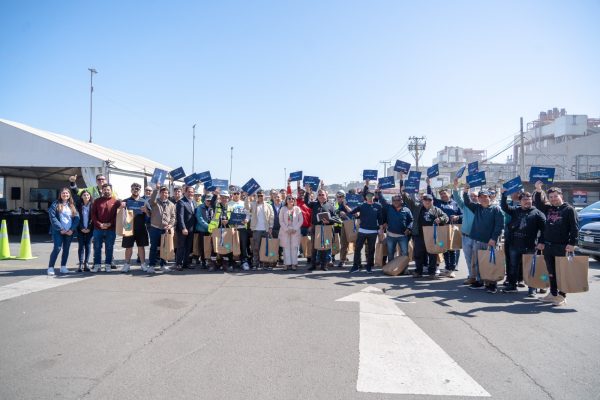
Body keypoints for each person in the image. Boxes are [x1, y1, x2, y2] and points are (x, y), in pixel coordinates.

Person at [533, 182, 579, 306]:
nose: (553, 199)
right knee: (551, 272)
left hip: (562, 246)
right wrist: (538, 190)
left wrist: (572, 243)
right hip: (548, 246)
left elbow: (574, 228)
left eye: (555, 196)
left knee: (562, 272)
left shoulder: (569, 209)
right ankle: (552, 294)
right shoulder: (549, 208)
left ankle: (562, 295)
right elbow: (538, 204)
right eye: (551, 197)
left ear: (561, 196)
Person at [500, 189, 546, 295]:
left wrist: (541, 242)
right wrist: (503, 195)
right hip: (514, 245)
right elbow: (504, 207)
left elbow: (545, 230)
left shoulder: (538, 213)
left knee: (531, 268)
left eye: (529, 200)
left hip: (530, 246)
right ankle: (512, 285)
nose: (527, 202)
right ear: (520, 201)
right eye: (525, 200)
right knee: (513, 266)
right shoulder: (516, 210)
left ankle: (532, 288)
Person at [462, 187, 504, 292]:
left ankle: (492, 284)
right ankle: (479, 281)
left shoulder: (496, 209)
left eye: (485, 197)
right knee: (478, 262)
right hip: (477, 240)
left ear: (489, 197)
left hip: (490, 241)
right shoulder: (477, 208)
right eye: (480, 197)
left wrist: (494, 239)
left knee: (491, 262)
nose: (483, 199)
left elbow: (499, 226)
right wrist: (465, 192)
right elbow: (467, 202)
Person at [344, 183, 384, 273]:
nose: (370, 197)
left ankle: (369, 266)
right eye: (368, 195)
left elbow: (380, 219)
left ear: (373, 197)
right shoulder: (362, 205)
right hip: (362, 231)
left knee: (371, 250)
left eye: (371, 195)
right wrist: (345, 205)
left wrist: (381, 229)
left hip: (373, 232)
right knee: (357, 249)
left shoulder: (378, 206)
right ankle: (355, 266)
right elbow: (352, 212)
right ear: (366, 197)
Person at [407, 192, 449, 279]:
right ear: (422, 201)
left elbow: (446, 217)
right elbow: (408, 200)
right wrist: (403, 190)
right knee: (418, 254)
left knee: (432, 254)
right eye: (425, 200)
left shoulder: (436, 209)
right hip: (419, 235)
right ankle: (418, 271)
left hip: (432, 236)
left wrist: (440, 219)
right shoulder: (417, 207)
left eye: (429, 200)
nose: (427, 202)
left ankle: (432, 273)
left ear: (432, 201)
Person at [426, 178, 463, 276]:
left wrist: (457, 217)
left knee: (453, 249)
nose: (443, 196)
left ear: (449, 194)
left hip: (453, 230)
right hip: (441, 230)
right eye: (441, 194)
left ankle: (452, 269)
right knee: (444, 249)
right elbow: (431, 195)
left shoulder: (455, 203)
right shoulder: (438, 202)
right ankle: (447, 268)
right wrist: (428, 185)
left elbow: (462, 215)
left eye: (444, 194)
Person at [47, 188, 80, 275]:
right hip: (58, 231)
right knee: (57, 248)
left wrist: (71, 229)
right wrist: (61, 228)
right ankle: (50, 267)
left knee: (66, 249)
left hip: (69, 232)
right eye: (63, 193)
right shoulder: (55, 204)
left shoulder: (72, 205)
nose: (65, 195)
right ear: (60, 194)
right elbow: (52, 217)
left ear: (69, 195)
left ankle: (63, 267)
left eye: (67, 193)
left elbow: (77, 218)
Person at [452, 178, 478, 285]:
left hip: (477, 237)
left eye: (475, 196)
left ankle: (479, 277)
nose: (473, 198)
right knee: (468, 258)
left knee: (477, 258)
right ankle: (471, 276)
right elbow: (457, 198)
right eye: (471, 196)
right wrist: (455, 187)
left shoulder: (481, 207)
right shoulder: (466, 206)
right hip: (466, 236)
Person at [91, 183, 122, 272]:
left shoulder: (116, 202)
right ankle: (97, 265)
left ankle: (108, 265)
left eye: (108, 189)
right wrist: (99, 224)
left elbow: (118, 215)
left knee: (109, 247)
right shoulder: (97, 201)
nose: (106, 191)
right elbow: (93, 214)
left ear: (111, 191)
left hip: (111, 229)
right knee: (97, 247)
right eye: (104, 190)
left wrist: (111, 224)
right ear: (102, 190)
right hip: (98, 229)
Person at [304, 185, 336, 271]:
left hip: (326, 229)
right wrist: (307, 191)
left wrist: (329, 221)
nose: (321, 196)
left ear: (326, 196)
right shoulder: (314, 204)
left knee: (325, 247)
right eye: (319, 195)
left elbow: (336, 218)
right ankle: (313, 265)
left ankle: (324, 265)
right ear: (317, 196)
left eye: (322, 195)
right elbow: (306, 202)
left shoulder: (330, 206)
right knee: (314, 247)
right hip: (316, 229)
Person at [121, 183, 150, 273]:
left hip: (141, 227)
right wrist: (121, 207)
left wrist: (146, 211)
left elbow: (149, 216)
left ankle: (143, 264)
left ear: (140, 190)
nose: (135, 190)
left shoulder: (144, 202)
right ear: (131, 190)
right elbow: (120, 214)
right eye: (133, 189)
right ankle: (126, 265)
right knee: (128, 247)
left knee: (141, 247)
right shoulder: (125, 201)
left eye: (137, 189)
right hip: (128, 227)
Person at [147, 184, 176, 273]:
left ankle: (163, 265)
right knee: (154, 247)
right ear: (160, 193)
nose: (164, 194)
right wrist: (156, 189)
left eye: (166, 193)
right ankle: (151, 265)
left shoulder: (171, 205)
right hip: (155, 228)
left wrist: (170, 225)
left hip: (165, 229)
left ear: (168, 194)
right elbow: (151, 199)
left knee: (165, 247)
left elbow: (173, 217)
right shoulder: (155, 202)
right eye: (162, 192)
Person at [378, 193, 413, 264]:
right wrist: (379, 192)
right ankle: (391, 269)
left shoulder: (406, 210)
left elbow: (412, 220)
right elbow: (382, 201)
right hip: (391, 236)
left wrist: (409, 228)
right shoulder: (388, 208)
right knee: (390, 254)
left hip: (403, 236)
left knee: (404, 254)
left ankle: (404, 269)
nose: (396, 201)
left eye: (398, 200)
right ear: (392, 201)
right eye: (394, 200)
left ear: (401, 201)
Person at [246, 190, 275, 269]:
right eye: (259, 196)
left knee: (265, 247)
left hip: (266, 229)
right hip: (256, 229)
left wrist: (271, 227)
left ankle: (265, 263)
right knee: (256, 248)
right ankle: (256, 264)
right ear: (256, 196)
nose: (260, 197)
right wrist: (247, 197)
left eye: (261, 195)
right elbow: (246, 208)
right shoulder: (253, 204)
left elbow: (271, 217)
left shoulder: (268, 205)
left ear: (264, 196)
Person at [208, 190, 234, 271]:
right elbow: (211, 203)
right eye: (223, 197)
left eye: (226, 197)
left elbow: (233, 219)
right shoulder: (216, 205)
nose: (224, 199)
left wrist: (228, 221)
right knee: (214, 247)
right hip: (216, 229)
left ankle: (225, 264)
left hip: (227, 230)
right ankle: (212, 264)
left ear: (228, 198)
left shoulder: (230, 207)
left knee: (227, 247)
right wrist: (215, 195)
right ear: (220, 198)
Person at [228, 188, 251, 270]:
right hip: (232, 228)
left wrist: (247, 220)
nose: (236, 195)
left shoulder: (244, 203)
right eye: (234, 194)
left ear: (240, 194)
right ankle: (231, 262)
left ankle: (244, 262)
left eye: (238, 193)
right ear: (232, 195)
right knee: (231, 246)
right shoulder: (229, 204)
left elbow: (248, 214)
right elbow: (227, 215)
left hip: (242, 228)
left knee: (243, 246)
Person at [71, 188, 94, 272]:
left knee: (88, 246)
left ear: (90, 196)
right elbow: (77, 217)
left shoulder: (93, 205)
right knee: (81, 246)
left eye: (88, 195)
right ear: (81, 196)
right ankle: (80, 264)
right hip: (80, 229)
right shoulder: (78, 205)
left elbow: (93, 218)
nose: (86, 196)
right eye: (84, 195)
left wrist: (89, 228)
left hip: (90, 229)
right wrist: (81, 228)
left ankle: (86, 264)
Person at [279, 194, 304, 270]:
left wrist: (295, 228)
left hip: (295, 231)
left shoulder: (297, 209)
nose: (291, 200)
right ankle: (286, 264)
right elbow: (281, 220)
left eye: (292, 199)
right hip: (285, 231)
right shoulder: (283, 209)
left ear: (294, 200)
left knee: (294, 247)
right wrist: (287, 229)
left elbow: (301, 220)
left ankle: (294, 263)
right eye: (289, 198)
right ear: (286, 200)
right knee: (286, 247)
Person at [175, 185, 196, 271]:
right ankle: (178, 264)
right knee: (181, 247)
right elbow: (180, 216)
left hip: (191, 229)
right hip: (183, 230)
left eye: (192, 192)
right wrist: (183, 228)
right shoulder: (181, 202)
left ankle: (186, 263)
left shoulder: (193, 202)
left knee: (188, 247)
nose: (190, 193)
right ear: (185, 192)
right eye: (189, 191)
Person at [195, 193, 214, 269]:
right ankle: (203, 261)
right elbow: (200, 219)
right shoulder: (200, 207)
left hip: (210, 230)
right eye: (207, 200)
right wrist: (209, 226)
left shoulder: (212, 208)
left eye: (210, 201)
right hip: (202, 230)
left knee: (210, 247)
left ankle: (209, 261)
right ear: (205, 200)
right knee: (202, 247)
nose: (209, 202)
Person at [333, 190, 350, 267]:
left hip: (348, 225)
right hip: (337, 226)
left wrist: (345, 213)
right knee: (336, 242)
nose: (340, 198)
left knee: (347, 244)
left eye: (341, 196)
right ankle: (335, 257)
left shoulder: (348, 203)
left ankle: (344, 258)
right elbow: (332, 212)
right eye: (338, 196)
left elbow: (353, 212)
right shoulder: (334, 203)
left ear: (344, 197)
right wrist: (338, 212)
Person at [269, 191, 284, 265]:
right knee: (274, 244)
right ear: (273, 198)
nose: (277, 198)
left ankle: (281, 257)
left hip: (283, 228)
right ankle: (275, 259)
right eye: (275, 197)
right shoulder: (270, 206)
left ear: (281, 198)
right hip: (273, 228)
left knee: (281, 244)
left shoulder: (284, 206)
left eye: (278, 197)